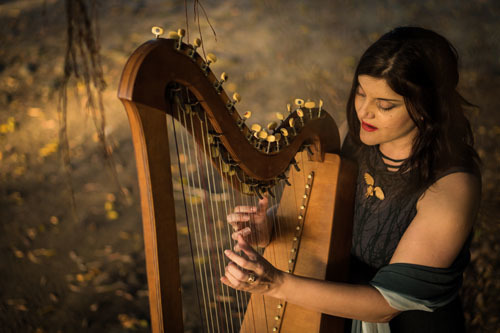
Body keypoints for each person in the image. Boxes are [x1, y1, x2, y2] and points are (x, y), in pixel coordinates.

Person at [222, 26, 481, 332]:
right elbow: (330, 212)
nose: (364, 112)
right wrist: (272, 226)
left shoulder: (453, 187)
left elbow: (386, 306)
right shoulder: (357, 136)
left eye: (385, 105)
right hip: (336, 296)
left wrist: (274, 283)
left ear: (426, 108)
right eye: (361, 92)